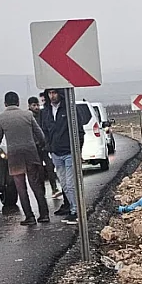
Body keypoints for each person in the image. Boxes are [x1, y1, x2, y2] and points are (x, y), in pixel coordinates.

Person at [0, 92, 49, 224]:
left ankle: (30, 217)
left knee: (21, 188)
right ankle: (44, 214)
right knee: (36, 185)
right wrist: (42, 145)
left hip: (15, 157)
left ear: (5, 104)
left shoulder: (0, 118)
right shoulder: (27, 115)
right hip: (31, 154)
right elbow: (39, 134)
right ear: (18, 102)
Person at [40, 88, 82, 224]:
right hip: (56, 153)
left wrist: (77, 149)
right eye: (50, 93)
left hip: (69, 152)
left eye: (54, 93)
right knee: (64, 184)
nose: (52, 96)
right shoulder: (46, 112)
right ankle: (73, 208)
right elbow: (44, 131)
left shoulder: (69, 109)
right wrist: (49, 147)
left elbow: (79, 131)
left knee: (70, 184)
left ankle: (76, 211)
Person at [29, 95, 61, 199]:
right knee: (39, 171)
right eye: (34, 105)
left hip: (44, 145)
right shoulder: (28, 117)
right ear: (29, 106)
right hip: (35, 148)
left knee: (50, 167)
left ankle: (54, 188)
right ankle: (41, 192)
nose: (37, 107)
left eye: (37, 104)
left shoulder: (42, 114)